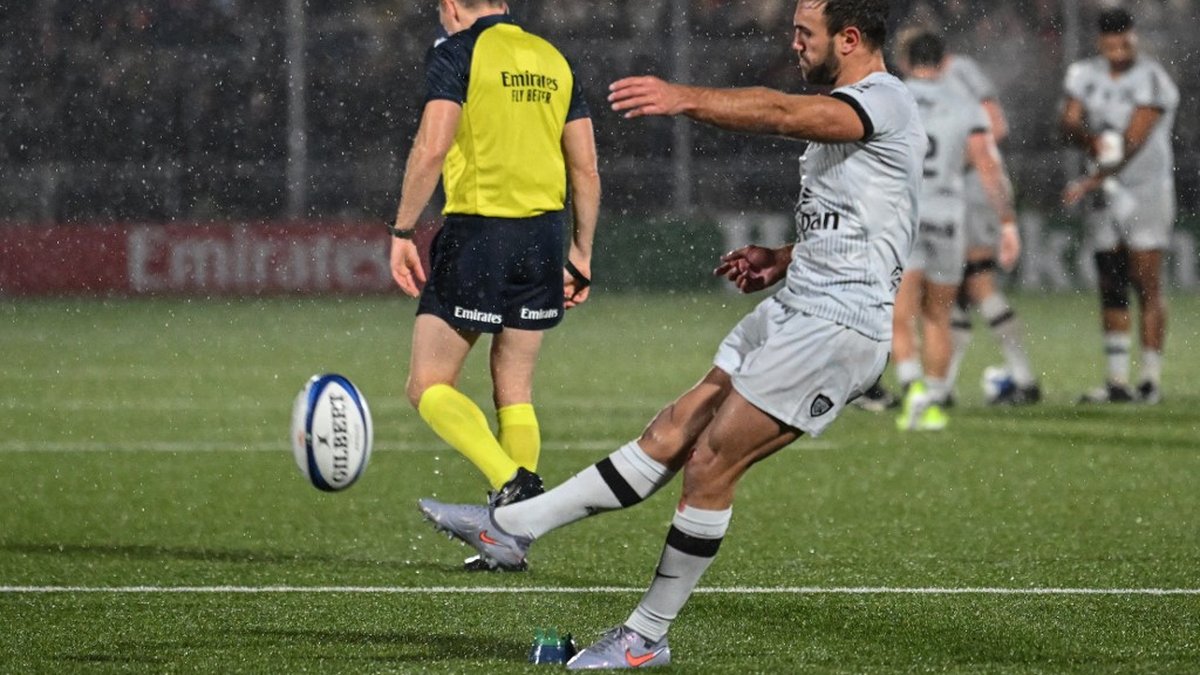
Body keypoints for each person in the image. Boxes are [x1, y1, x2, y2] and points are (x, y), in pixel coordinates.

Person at [419, 0, 923, 667]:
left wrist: (684, 98)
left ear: (850, 39)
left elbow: (777, 113)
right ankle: (510, 527)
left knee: (712, 463)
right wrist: (782, 257)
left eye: (805, 34)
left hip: (837, 326)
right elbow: (868, 230)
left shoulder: (882, 100)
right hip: (798, 304)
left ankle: (644, 637)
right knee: (672, 428)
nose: (793, 43)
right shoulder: (855, 110)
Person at [388, 0, 600, 570]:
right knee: (515, 389)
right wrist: (580, 251)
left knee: (427, 383)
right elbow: (584, 168)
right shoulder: (552, 58)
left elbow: (432, 147)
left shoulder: (457, 52)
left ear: (453, 6)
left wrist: (403, 228)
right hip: (544, 237)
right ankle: (509, 537)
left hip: (481, 232)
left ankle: (516, 488)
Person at [892, 32, 1019, 431]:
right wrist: (1007, 223)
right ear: (944, 61)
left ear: (908, 62)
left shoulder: (892, 99)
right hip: (948, 217)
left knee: (900, 314)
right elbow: (987, 165)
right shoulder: (964, 105)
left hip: (905, 215)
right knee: (938, 316)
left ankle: (911, 386)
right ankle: (931, 401)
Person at [1060, 7, 1178, 405]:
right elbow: (1069, 122)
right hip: (1105, 196)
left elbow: (1134, 139)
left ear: (1134, 37)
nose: (1118, 51)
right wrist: (1085, 137)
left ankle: (1149, 378)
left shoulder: (1152, 79)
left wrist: (1092, 177)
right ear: (1101, 42)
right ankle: (1116, 381)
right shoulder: (1083, 75)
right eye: (1111, 44)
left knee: (1146, 281)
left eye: (1125, 42)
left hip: (1145, 190)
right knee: (1110, 282)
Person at [942, 49, 1040, 406]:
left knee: (976, 282)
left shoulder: (958, 71)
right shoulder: (951, 78)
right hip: (967, 193)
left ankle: (1025, 380)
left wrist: (947, 166)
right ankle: (944, 386)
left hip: (972, 192)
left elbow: (995, 125)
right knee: (958, 292)